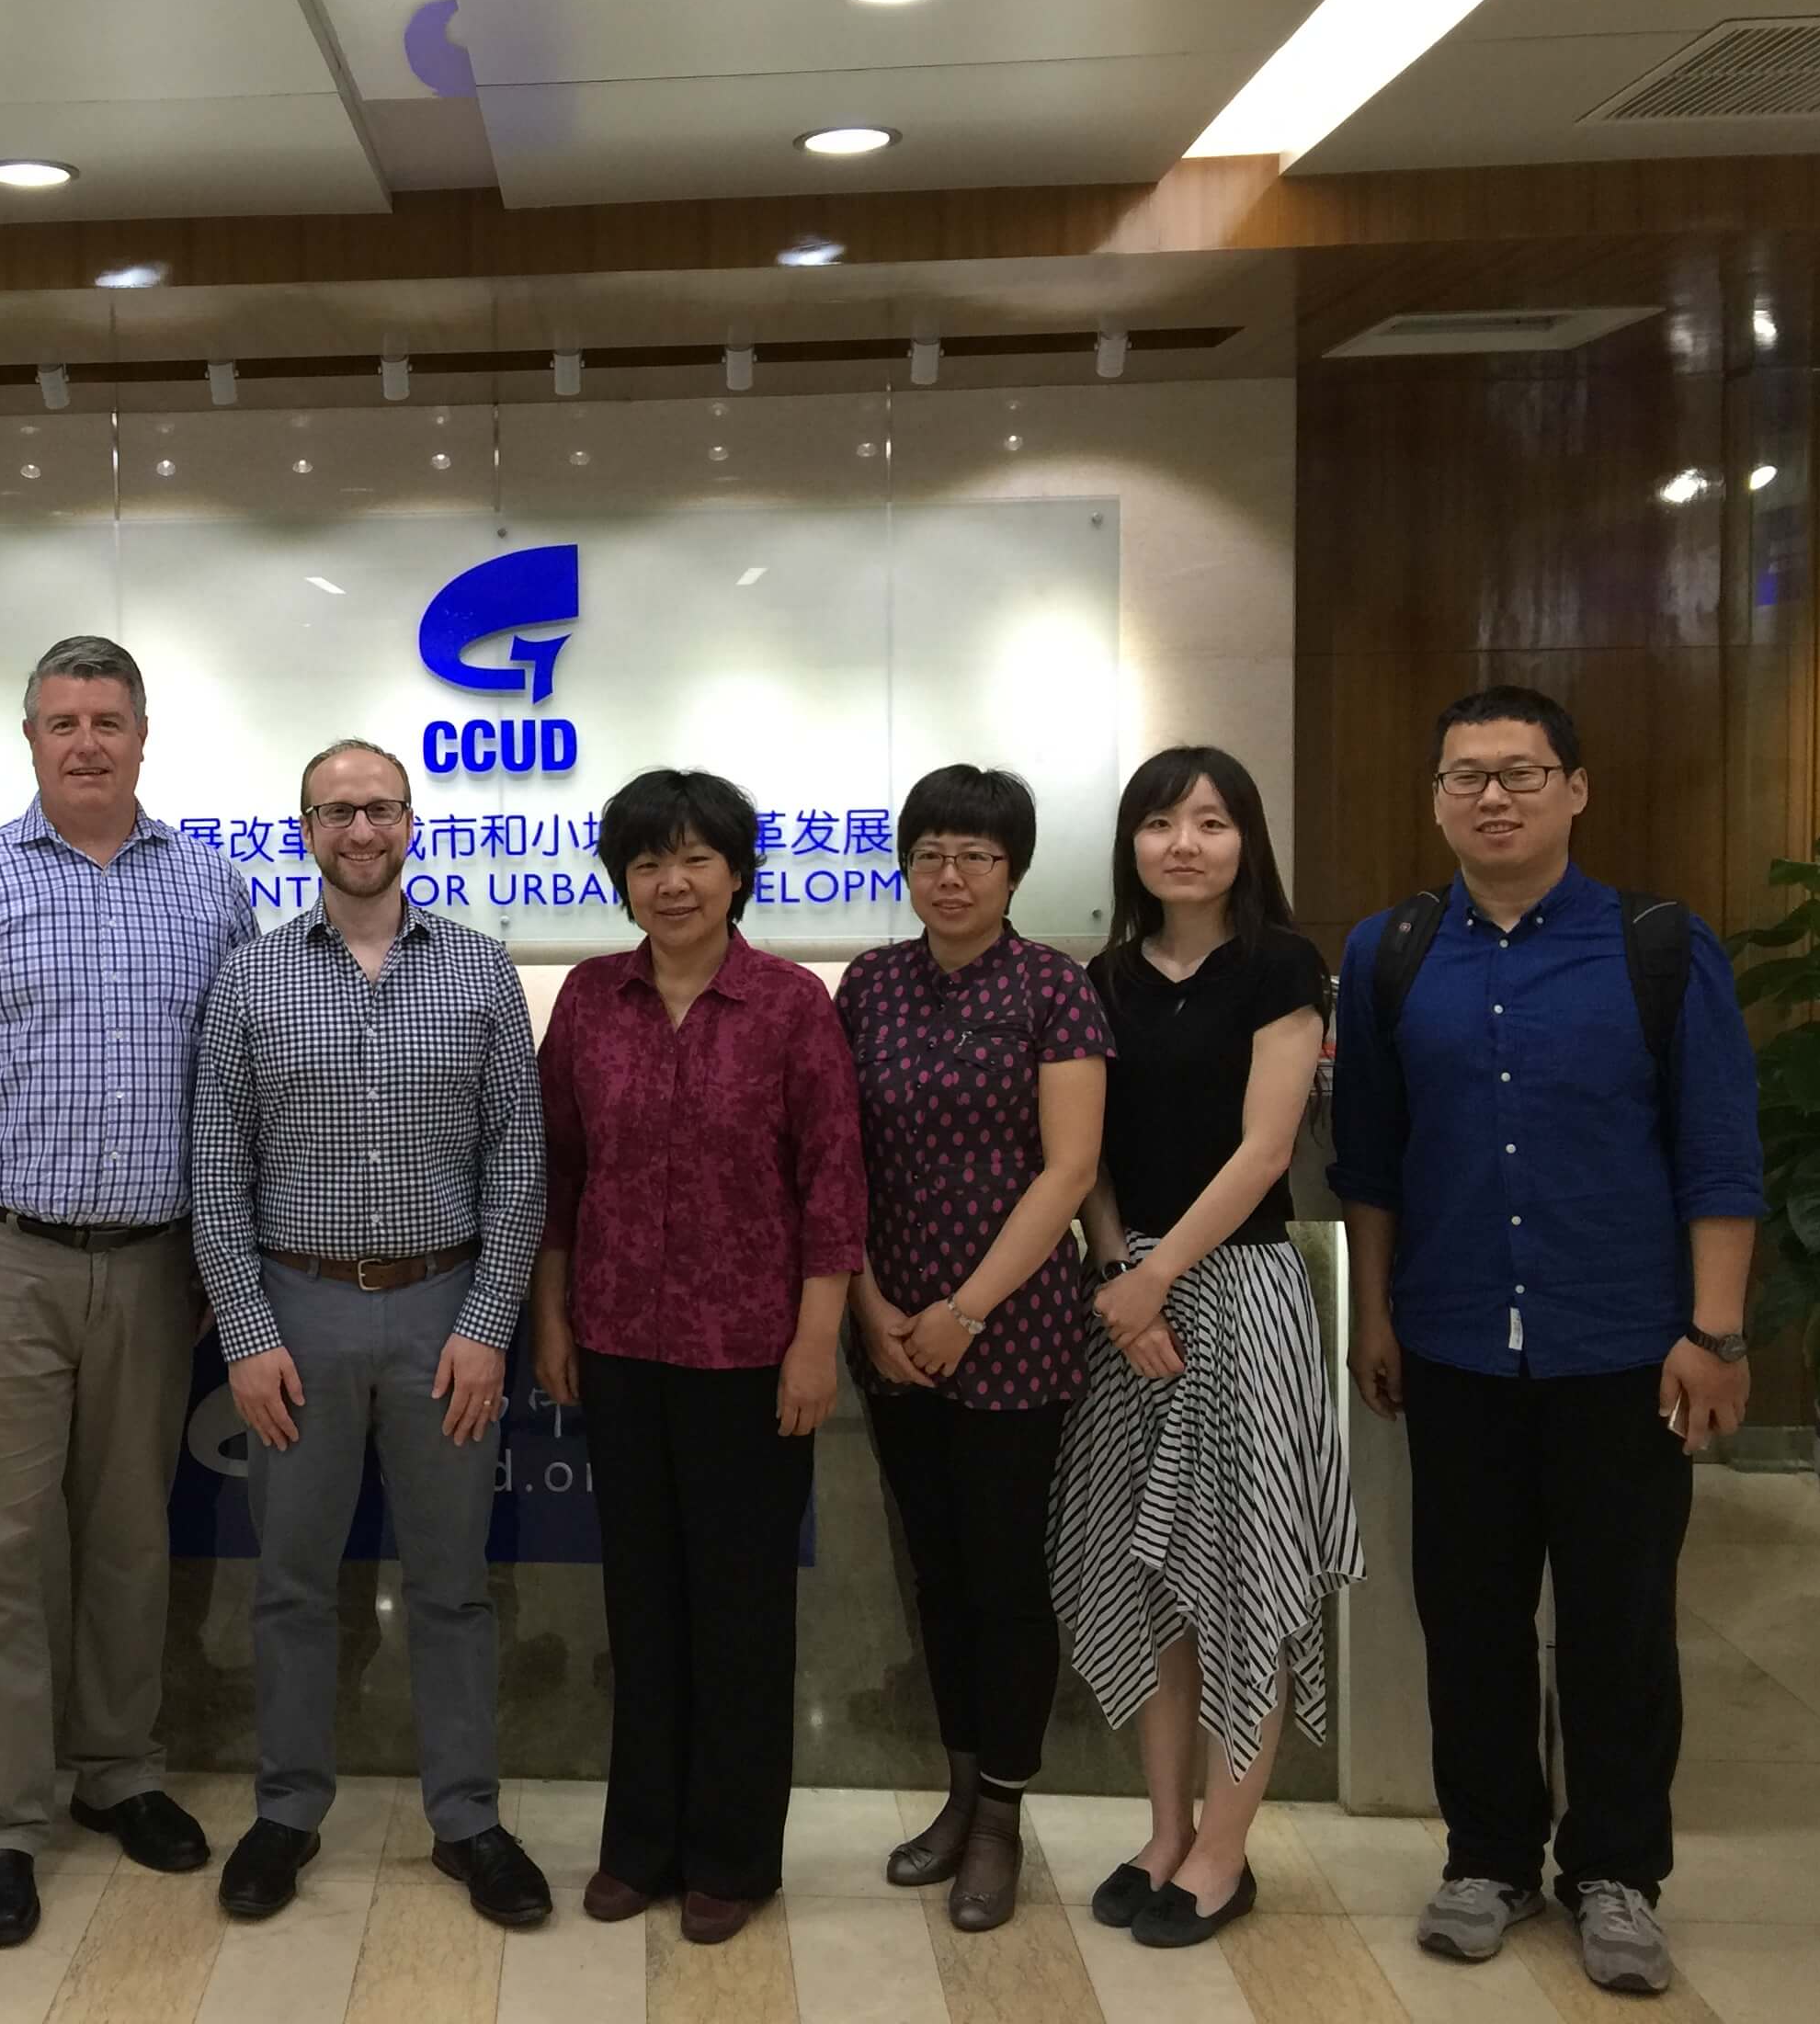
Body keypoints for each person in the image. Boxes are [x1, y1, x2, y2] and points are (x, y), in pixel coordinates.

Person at [1330, 686, 1761, 1999]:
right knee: (1468, 1616)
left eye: (1521, 774)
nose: (1494, 798)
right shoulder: (1392, 951)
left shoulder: (1657, 947)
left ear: (1576, 788)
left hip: (1626, 1347)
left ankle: (1618, 1873)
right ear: (1438, 799)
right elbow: (1373, 1163)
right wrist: (1376, 1314)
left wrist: (1716, 1331)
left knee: (1620, 1623)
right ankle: (1489, 1857)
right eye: (1467, 777)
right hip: (1456, 1344)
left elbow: (1720, 1153)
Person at [0, 634, 256, 1949]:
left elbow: (236, 1092)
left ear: (145, 735)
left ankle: (120, 1770)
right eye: (60, 720)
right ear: (26, 738)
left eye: (107, 718)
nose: (85, 740)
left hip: (156, 1264)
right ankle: (2, 1820)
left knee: (130, 1535)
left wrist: (223, 1254)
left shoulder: (214, 890)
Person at [194, 739, 552, 1928]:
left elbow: (518, 1163)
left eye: (380, 808)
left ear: (412, 823)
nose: (361, 828)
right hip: (295, 1313)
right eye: (337, 810)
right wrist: (246, 1333)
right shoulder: (248, 981)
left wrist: (491, 1321)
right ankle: (288, 1812)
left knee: (453, 1586)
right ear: (303, 829)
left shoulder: (483, 974)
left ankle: (468, 1820)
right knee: (294, 1585)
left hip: (447, 1312)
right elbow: (216, 1174)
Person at [531, 767, 864, 1948]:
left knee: (740, 1609)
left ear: (736, 873)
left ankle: (731, 1855)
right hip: (618, 1342)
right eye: (646, 862)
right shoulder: (588, 1000)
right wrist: (555, 1316)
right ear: (623, 879)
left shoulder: (788, 1007)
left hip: (750, 1351)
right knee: (642, 1601)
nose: (670, 883)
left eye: (694, 859)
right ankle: (641, 1845)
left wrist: (816, 1342)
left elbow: (834, 1186)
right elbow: (559, 1175)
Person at [1049, 745, 1364, 1949]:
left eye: (1213, 822)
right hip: (1133, 1302)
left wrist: (1159, 1276)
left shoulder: (1282, 966)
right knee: (1151, 1580)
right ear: (1129, 844)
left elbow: (1268, 1150)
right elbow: (1089, 1159)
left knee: (1243, 1579)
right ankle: (1166, 1829)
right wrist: (1122, 1267)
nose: (1186, 842)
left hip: (1238, 1297)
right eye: (1161, 822)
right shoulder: (1107, 976)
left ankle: (1227, 1849)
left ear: (1247, 843)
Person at [836, 764, 1111, 1935]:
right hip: (890, 1325)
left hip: (1012, 1331)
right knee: (934, 1572)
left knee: (1004, 1578)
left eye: (978, 857)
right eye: (932, 854)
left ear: (1015, 870)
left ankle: (1001, 1811)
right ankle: (957, 1791)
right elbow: (833, 1159)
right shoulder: (869, 985)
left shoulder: (1056, 989)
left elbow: (1070, 1169)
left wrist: (966, 1310)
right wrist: (872, 1306)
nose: (950, 877)